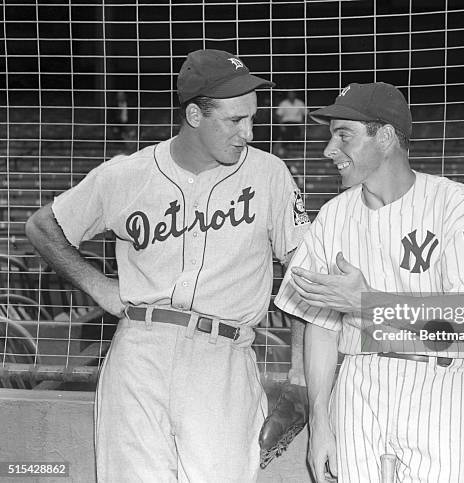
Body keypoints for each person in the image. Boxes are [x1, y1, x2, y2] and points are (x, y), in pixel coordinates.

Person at [25, 49, 311, 482]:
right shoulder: (129, 174)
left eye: (251, 118)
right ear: (194, 115)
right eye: (235, 120)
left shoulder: (269, 174)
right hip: (140, 350)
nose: (248, 133)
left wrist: (298, 376)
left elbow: (302, 270)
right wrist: (98, 286)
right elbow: (43, 226)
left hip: (224, 356)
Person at [274, 82, 464, 482]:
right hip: (358, 386)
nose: (329, 150)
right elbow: (319, 325)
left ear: (385, 136)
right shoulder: (334, 216)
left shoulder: (453, 202)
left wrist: (368, 303)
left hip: (441, 385)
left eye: (343, 135)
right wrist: (320, 422)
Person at [275, 90, 308, 155]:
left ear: (295, 94)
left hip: (297, 123)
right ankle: (285, 150)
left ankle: (296, 151)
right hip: (286, 123)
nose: (291, 95)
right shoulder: (283, 103)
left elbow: (306, 114)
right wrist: (281, 126)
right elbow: (279, 115)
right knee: (286, 134)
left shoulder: (300, 103)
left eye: (292, 94)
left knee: (297, 135)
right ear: (287, 95)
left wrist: (303, 125)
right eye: (289, 94)